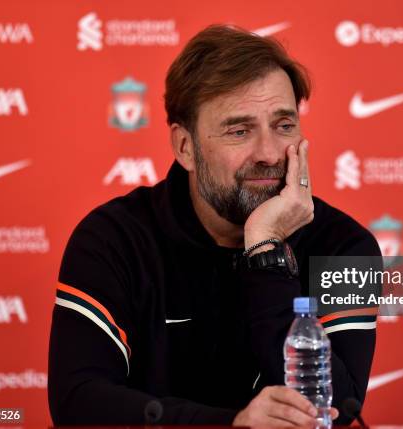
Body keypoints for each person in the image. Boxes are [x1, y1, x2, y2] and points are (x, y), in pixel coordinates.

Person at [48, 24, 380, 427]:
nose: (270, 153)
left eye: (284, 125)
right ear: (185, 147)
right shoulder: (112, 239)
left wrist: (266, 251)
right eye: (239, 131)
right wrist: (232, 425)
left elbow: (338, 412)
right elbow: (78, 403)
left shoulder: (344, 246)